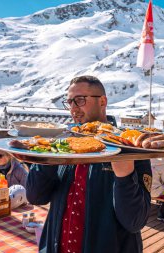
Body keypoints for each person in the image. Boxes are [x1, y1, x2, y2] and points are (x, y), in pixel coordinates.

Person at [25, 75, 152, 253]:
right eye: (69, 102)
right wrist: (46, 156)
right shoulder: (62, 142)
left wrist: (125, 176)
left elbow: (135, 221)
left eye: (80, 100)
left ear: (102, 101)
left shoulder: (129, 147)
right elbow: (35, 197)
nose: (73, 109)